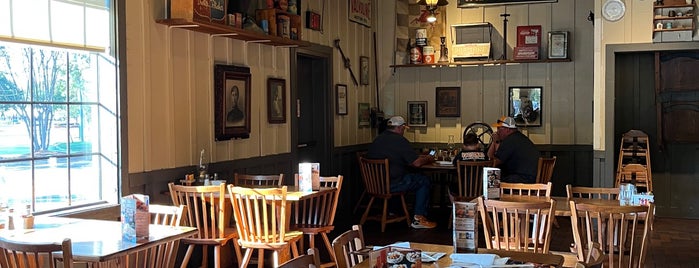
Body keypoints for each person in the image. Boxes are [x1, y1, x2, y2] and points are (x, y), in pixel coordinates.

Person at [366, 115, 437, 229]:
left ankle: (393, 211)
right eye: (404, 128)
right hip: (392, 185)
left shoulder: (378, 139)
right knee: (423, 180)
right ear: (399, 128)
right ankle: (419, 218)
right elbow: (416, 163)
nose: (404, 131)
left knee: (403, 176)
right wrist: (429, 158)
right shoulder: (400, 140)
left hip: (375, 185)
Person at [487, 116, 539, 183]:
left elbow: (495, 162)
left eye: (499, 128)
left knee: (492, 179)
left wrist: (496, 142)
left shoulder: (510, 141)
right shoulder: (519, 137)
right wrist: (495, 142)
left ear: (507, 129)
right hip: (531, 177)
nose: (497, 132)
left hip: (523, 179)